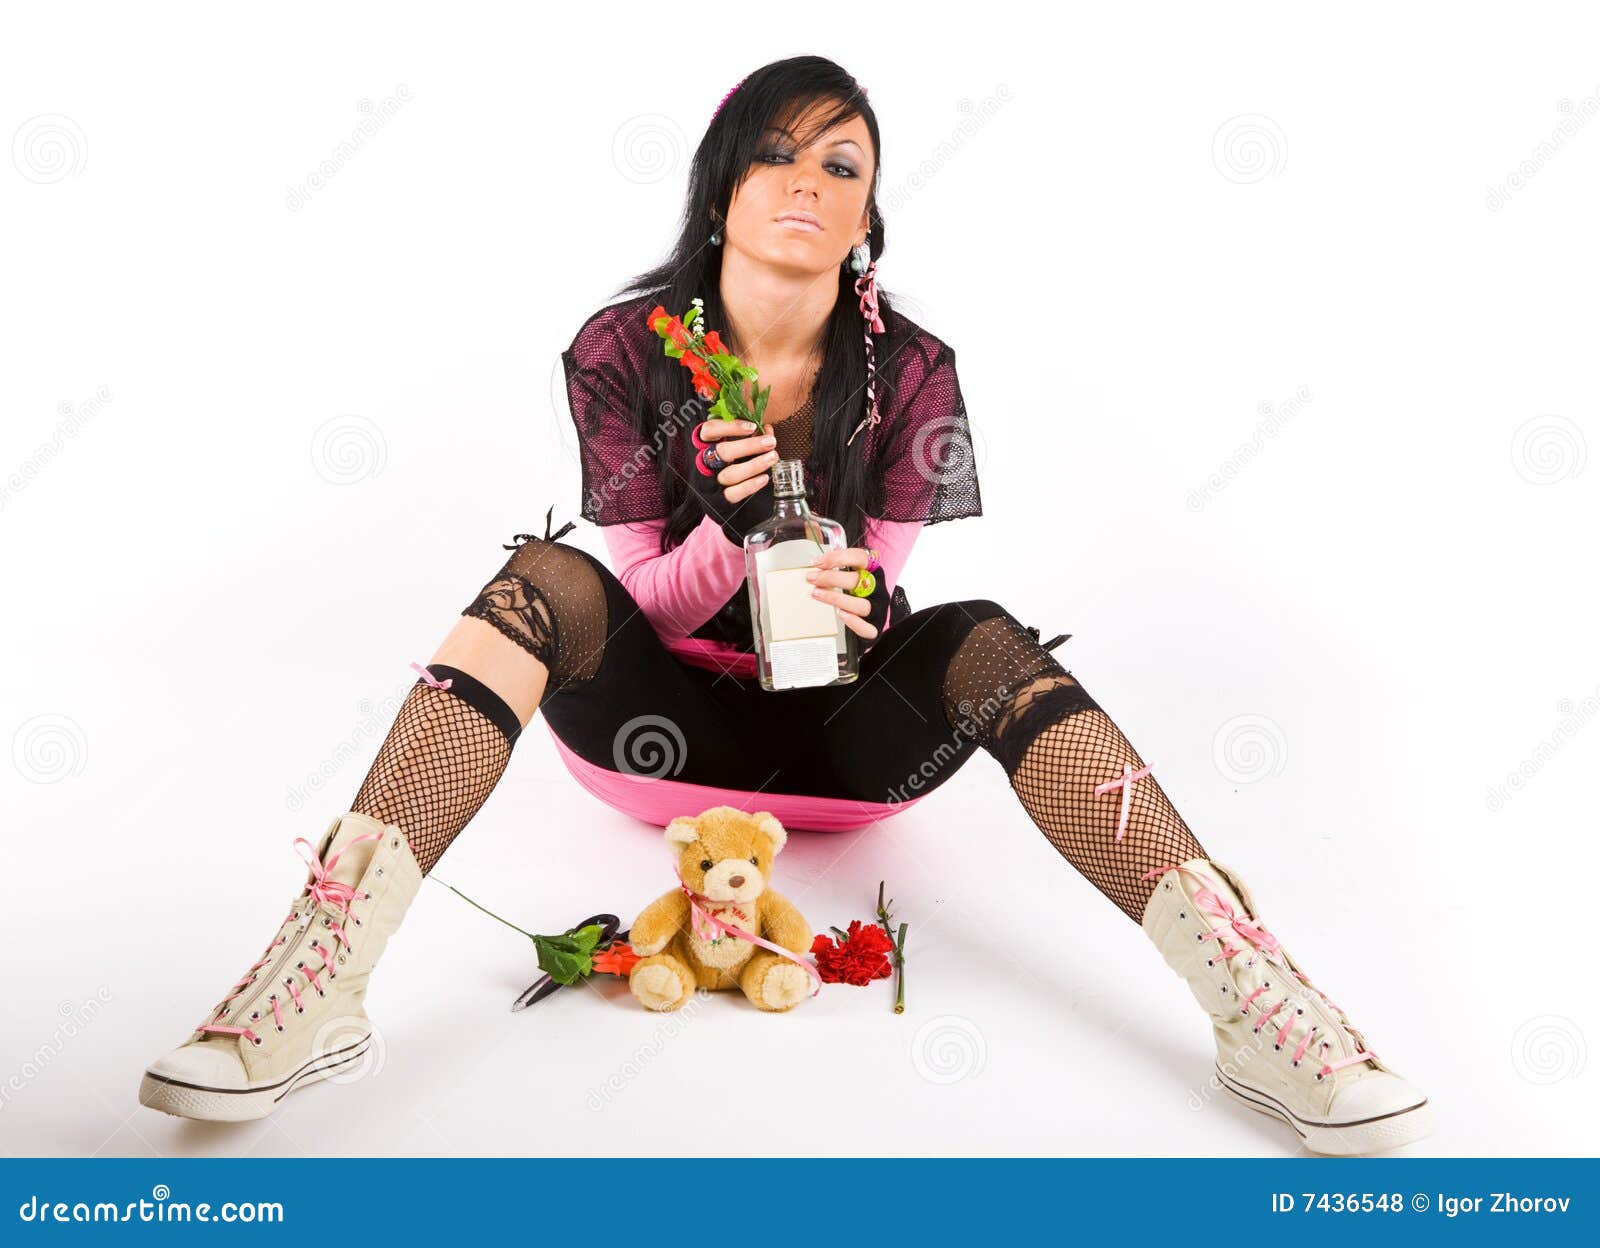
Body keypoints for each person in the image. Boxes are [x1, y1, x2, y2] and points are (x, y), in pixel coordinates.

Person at [138, 55, 1432, 1155]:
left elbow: (876, 592)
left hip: (838, 748)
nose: (807, 182)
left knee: (984, 635)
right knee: (547, 579)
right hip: (652, 741)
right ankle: (318, 980)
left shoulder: (912, 371)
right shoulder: (624, 349)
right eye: (776, 155)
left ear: (868, 213)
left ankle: (1252, 999)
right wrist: (723, 527)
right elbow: (645, 598)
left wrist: (837, 573)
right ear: (722, 190)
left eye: (841, 164)